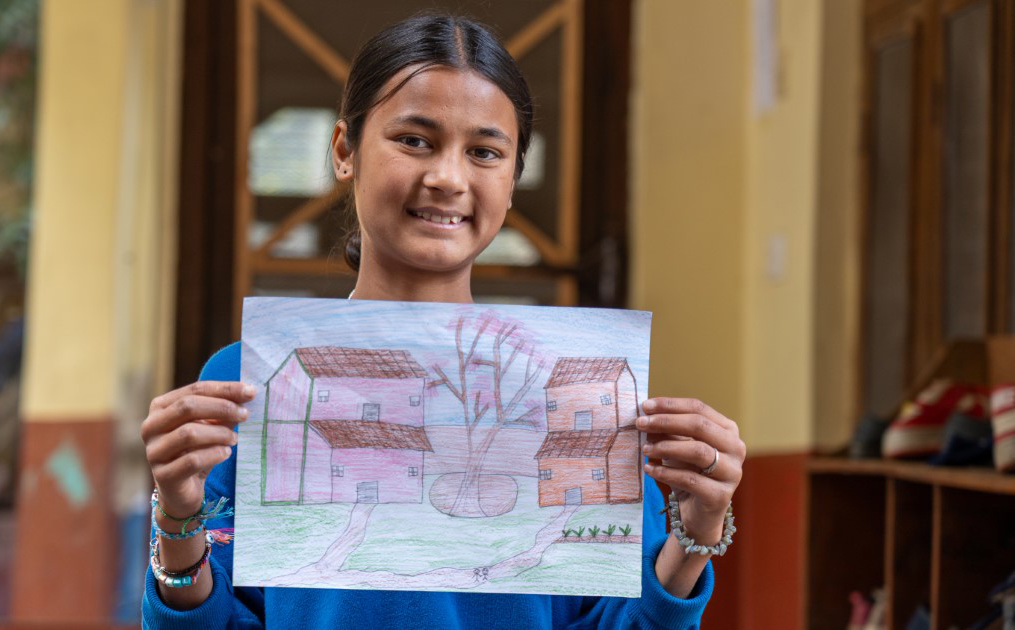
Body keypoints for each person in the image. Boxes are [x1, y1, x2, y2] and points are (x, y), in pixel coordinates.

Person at [140, 13, 745, 629]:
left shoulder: (575, 388)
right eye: (414, 140)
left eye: (484, 152)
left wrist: (695, 534)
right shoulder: (250, 381)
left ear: (512, 179)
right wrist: (179, 515)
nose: (448, 178)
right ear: (344, 150)